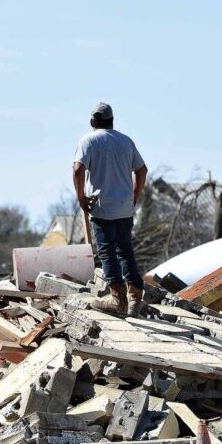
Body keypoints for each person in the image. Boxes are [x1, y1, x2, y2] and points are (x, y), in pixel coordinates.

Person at [73, 102, 148, 316]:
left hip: (102, 208)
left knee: (107, 252)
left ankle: (118, 300)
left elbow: (77, 169)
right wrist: (134, 195)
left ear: (92, 122)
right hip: (125, 208)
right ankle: (135, 298)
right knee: (125, 250)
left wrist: (81, 197)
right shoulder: (126, 141)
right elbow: (142, 170)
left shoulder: (88, 140)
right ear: (112, 120)